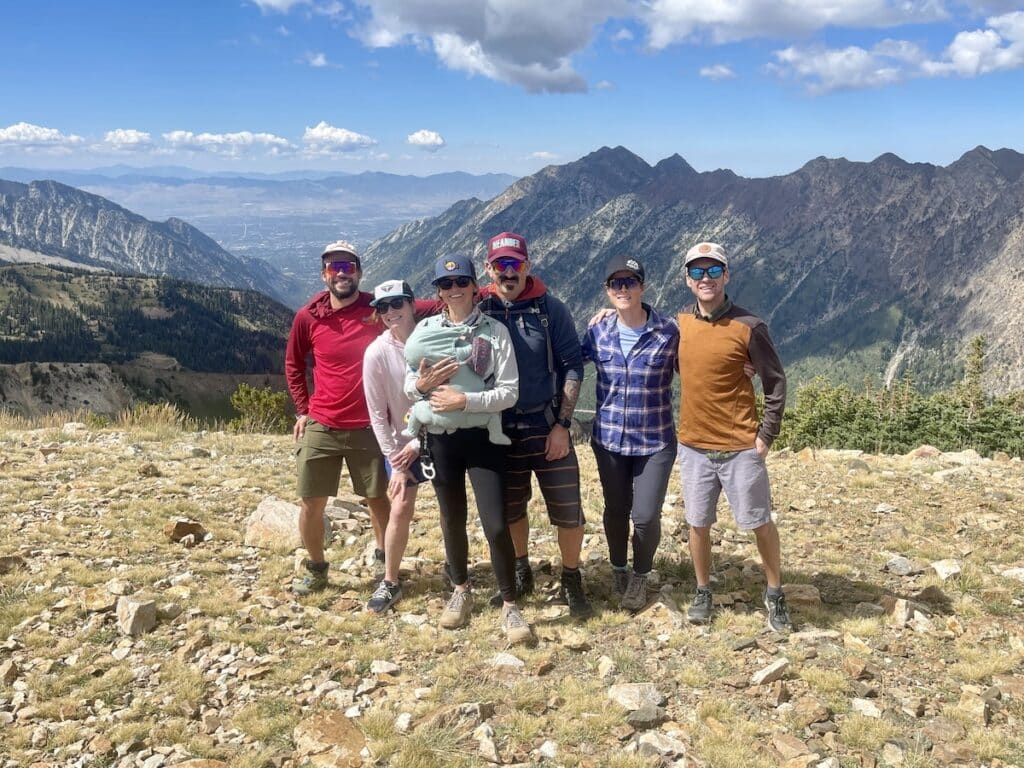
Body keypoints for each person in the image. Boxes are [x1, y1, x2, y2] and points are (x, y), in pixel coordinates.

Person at [405, 255, 533, 644]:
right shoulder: (425, 332)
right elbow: (408, 385)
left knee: (495, 524)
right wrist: (422, 387)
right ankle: (460, 589)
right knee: (451, 518)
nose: (453, 289)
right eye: (445, 284)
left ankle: (510, 604)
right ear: (438, 292)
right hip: (440, 439)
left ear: (475, 285)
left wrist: (465, 402)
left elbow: (509, 392)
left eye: (460, 281)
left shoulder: (495, 332)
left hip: (481, 437)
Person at [676, 242, 791, 632]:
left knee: (759, 521)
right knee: (697, 522)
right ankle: (703, 589)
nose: (704, 279)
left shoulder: (750, 326)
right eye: (696, 272)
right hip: (693, 444)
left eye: (712, 271)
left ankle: (775, 593)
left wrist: (765, 437)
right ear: (687, 279)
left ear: (726, 275)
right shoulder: (679, 324)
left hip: (741, 445)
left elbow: (775, 383)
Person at [477, 232, 593, 618]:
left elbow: (572, 364)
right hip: (497, 428)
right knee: (511, 509)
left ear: (528, 266)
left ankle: (572, 577)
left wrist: (563, 423)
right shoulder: (478, 306)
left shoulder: (550, 309)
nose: (508, 273)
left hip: (546, 424)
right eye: (500, 265)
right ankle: (522, 569)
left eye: (516, 265)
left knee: (567, 508)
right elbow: (437, 304)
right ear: (489, 269)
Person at [285, 241, 391, 596]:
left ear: (359, 271)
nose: (342, 274)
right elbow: (294, 364)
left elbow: (426, 306)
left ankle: (384, 557)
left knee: (377, 498)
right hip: (323, 421)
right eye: (334, 268)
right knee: (310, 502)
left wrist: (473, 289)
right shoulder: (309, 316)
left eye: (348, 266)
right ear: (324, 275)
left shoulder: (378, 308)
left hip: (370, 424)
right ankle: (316, 568)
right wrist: (302, 409)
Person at [582, 255, 679, 611]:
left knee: (645, 515)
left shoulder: (669, 332)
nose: (623, 289)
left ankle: (640, 574)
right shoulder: (597, 331)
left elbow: (699, 369)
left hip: (655, 439)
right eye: (616, 284)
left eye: (630, 282)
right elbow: (569, 365)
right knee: (615, 508)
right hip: (609, 439)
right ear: (607, 291)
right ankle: (618, 567)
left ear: (643, 286)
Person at [362, 279, 427, 613]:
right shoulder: (376, 352)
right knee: (400, 506)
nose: (390, 312)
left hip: (439, 436)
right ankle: (389, 581)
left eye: (397, 304)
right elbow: (376, 412)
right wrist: (395, 460)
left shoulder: (432, 338)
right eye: (383, 307)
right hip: (402, 447)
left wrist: (419, 442)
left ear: (413, 304)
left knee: (451, 503)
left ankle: (458, 572)